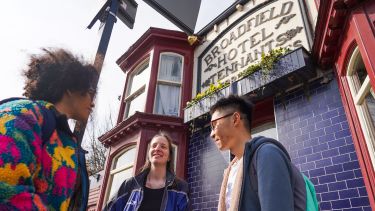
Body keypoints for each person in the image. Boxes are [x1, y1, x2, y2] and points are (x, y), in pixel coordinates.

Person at [0, 48, 98, 211]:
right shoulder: (21, 114)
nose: (93, 102)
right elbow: (5, 189)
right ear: (71, 87)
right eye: (90, 92)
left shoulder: (65, 139)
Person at [210, 95, 308, 211]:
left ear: (235, 119)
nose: (211, 134)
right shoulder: (231, 169)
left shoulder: (267, 154)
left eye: (214, 125)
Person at [105, 132, 190, 211]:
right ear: (149, 155)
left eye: (163, 146)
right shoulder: (129, 185)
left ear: (169, 157)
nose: (157, 149)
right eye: (154, 146)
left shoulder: (180, 188)